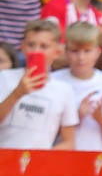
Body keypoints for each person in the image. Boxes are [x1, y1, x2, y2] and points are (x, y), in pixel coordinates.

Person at [47, 21, 102, 150]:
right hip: (58, 159)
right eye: (75, 51)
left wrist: (100, 118)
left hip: (94, 162)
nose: (81, 58)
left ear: (98, 52)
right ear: (66, 51)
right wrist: (76, 116)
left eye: (87, 51)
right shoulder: (53, 80)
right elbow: (42, 132)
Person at [0, 18, 74, 149]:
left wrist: (42, 160)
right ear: (22, 48)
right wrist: (17, 94)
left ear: (56, 52)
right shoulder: (4, 77)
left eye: (44, 46)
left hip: (40, 166)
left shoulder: (64, 90)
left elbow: (69, 142)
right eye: (31, 45)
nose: (36, 51)